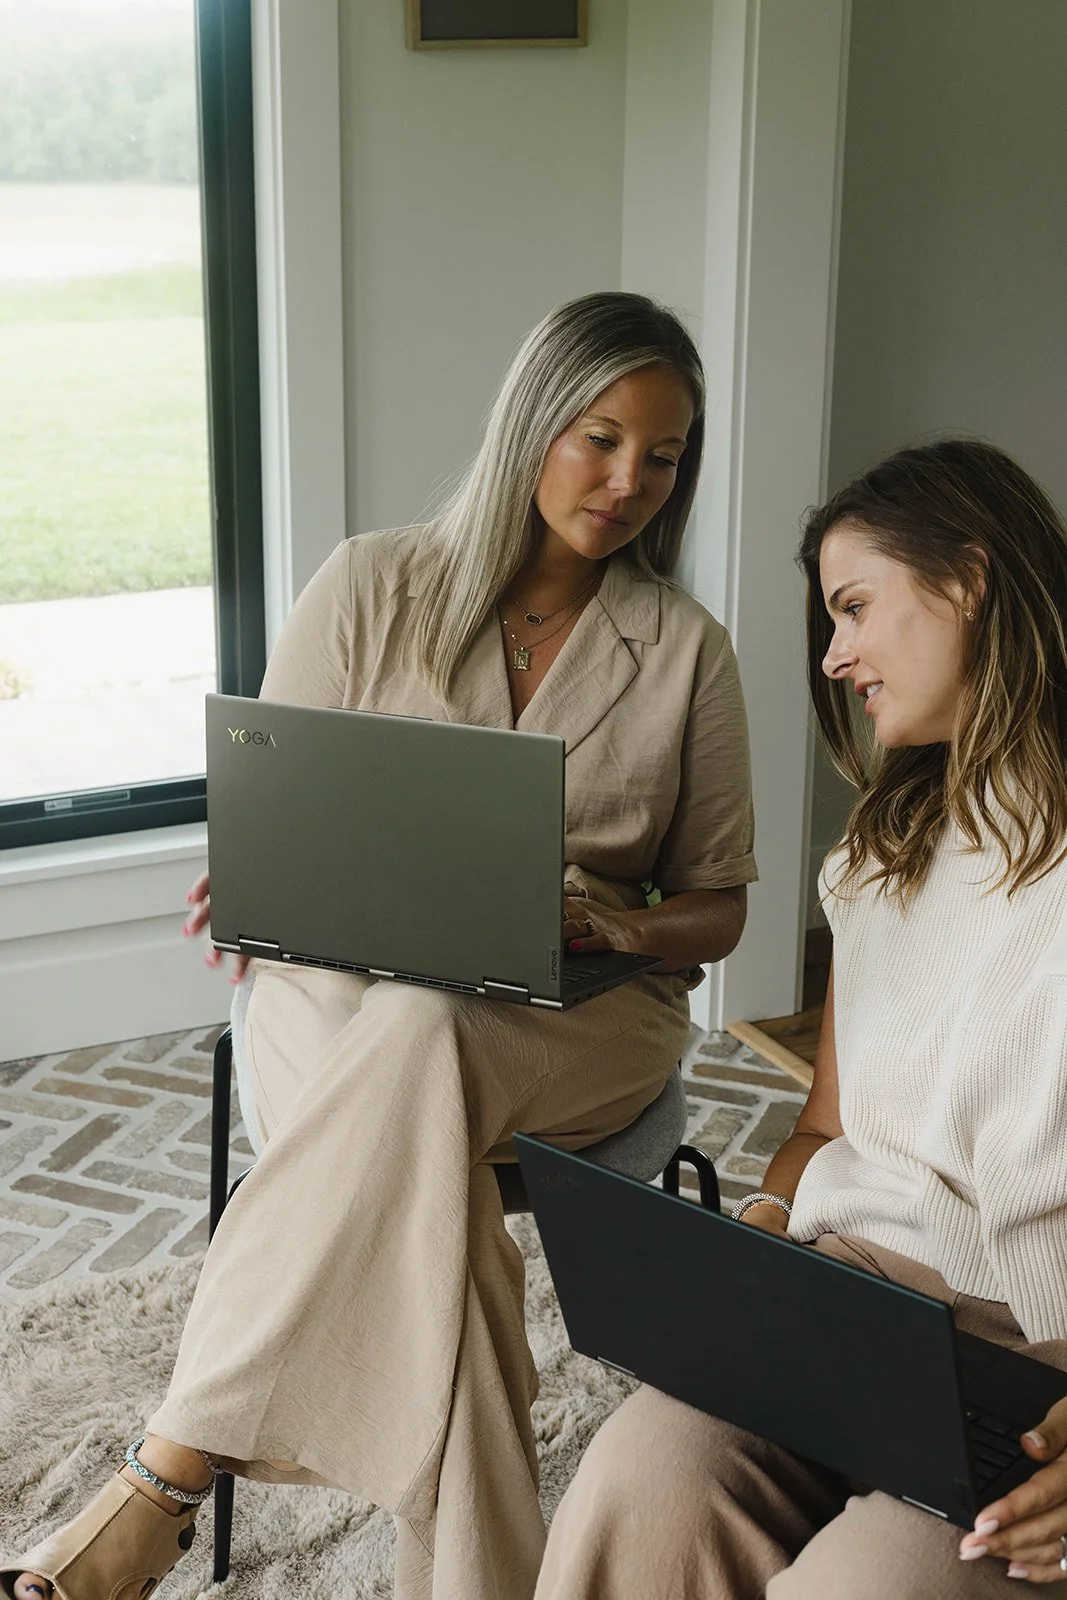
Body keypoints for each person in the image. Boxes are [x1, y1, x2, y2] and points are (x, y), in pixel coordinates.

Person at [3, 292, 757, 1600]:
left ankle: (162, 1480)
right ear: (531, 424)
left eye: (664, 455)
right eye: (599, 437)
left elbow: (720, 906)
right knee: (428, 1145)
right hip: (338, 982)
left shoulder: (685, 650)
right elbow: (271, 812)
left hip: (581, 1010)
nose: (629, 480)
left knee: (428, 1036)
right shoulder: (370, 583)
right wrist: (248, 880)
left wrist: (621, 921)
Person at [534, 438, 1067, 1599]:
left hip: (1035, 1359)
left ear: (968, 580)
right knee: (643, 1479)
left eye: (854, 606)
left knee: (873, 1580)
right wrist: (757, 1245)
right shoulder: (880, 857)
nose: (833, 655)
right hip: (852, 1295)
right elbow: (826, 1121)